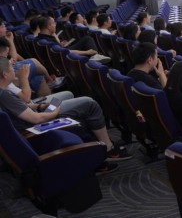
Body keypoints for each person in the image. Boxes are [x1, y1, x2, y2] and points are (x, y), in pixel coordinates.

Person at [0, 57, 131, 161]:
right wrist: (55, 112)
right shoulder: (5, 95)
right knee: (89, 104)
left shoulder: (4, 91)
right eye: (11, 67)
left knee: (68, 94)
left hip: (35, 114)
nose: (14, 69)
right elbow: (36, 119)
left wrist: (40, 106)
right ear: (5, 75)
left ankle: (93, 142)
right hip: (37, 127)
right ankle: (108, 149)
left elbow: (22, 106)